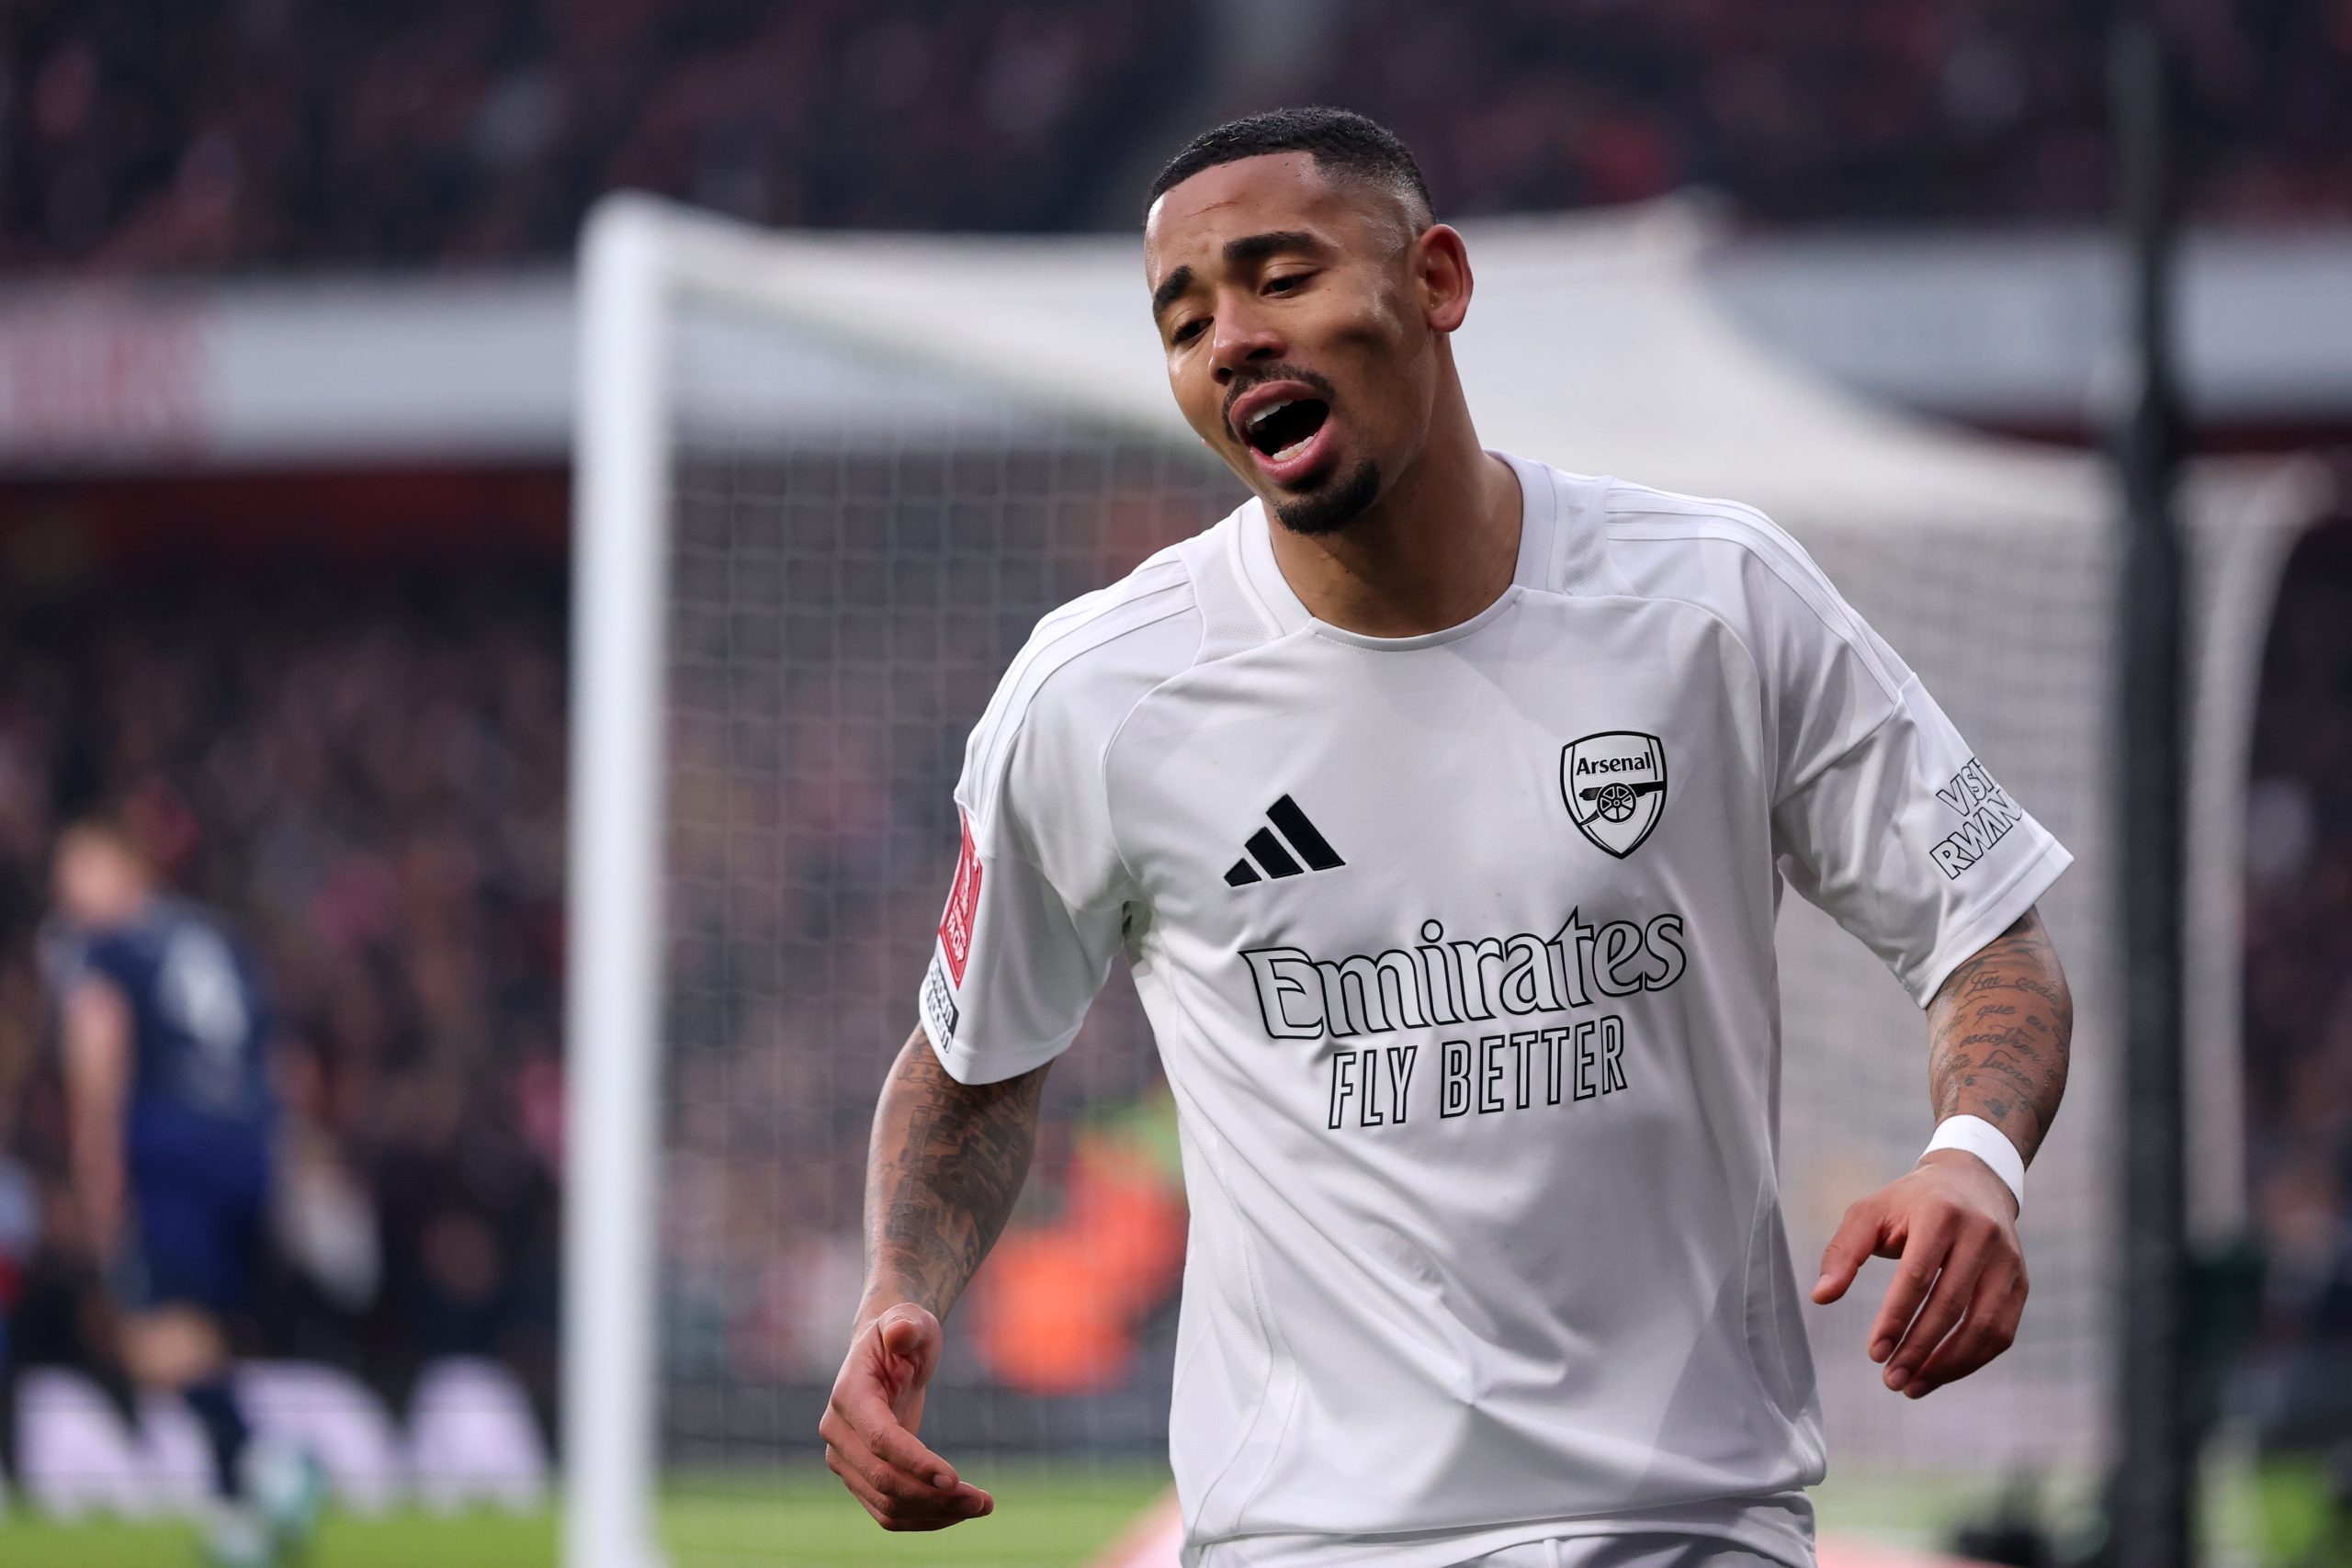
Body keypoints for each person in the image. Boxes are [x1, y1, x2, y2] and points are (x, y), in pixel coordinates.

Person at [820, 107, 2075, 1568]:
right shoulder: (1100, 693)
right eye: (1184, 318)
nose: (1229, 337)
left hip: (1685, 1525)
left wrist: (1976, 1154)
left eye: (1279, 278)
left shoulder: (1717, 603)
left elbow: (1987, 926)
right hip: (1309, 1540)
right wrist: (896, 1288)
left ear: (1436, 280)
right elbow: (974, 1061)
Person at [46, 818, 320, 1567]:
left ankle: (267, 1459)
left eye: (83, 869)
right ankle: (238, 1520)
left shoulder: (106, 945)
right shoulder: (217, 936)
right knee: (202, 1334)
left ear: (128, 868)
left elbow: (99, 1040)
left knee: (150, 1332)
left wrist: (95, 1158)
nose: (70, 891)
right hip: (247, 1150)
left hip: (168, 1148)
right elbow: (281, 1058)